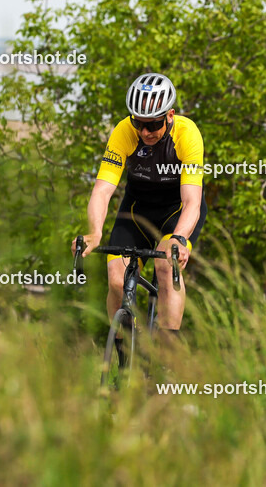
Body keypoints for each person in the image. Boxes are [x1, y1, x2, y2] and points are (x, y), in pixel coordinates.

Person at [72, 72, 206, 344]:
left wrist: (180, 238)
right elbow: (102, 189)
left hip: (177, 211)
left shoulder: (187, 134)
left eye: (153, 124)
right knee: (116, 280)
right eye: (138, 123)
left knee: (166, 266)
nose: (145, 132)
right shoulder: (124, 131)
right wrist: (94, 232)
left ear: (169, 115)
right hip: (138, 207)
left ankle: (167, 353)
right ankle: (123, 350)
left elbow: (192, 200)